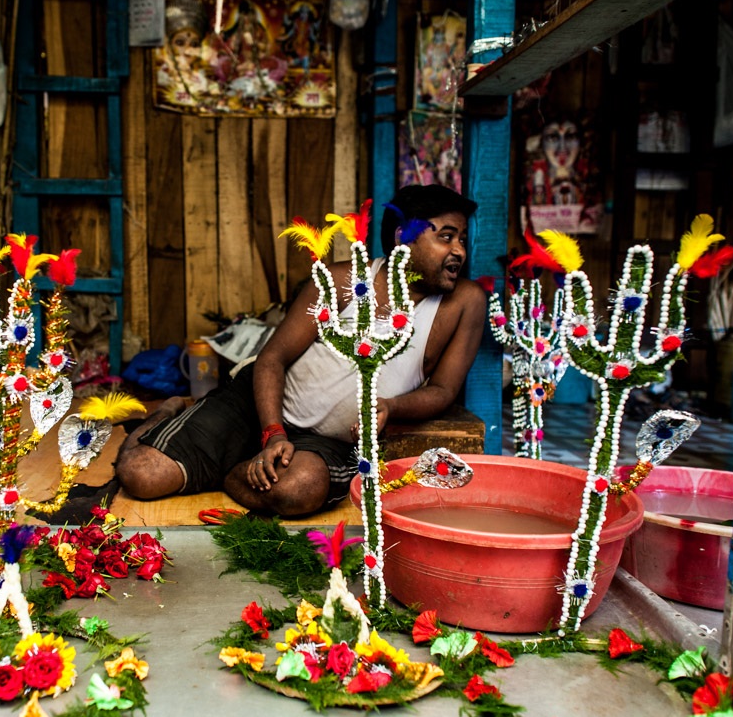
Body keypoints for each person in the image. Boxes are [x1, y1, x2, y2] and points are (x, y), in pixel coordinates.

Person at [115, 185, 487, 517]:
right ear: (403, 236)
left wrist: (392, 406)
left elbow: (442, 390)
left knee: (298, 490)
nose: (458, 251)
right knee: (141, 475)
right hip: (257, 407)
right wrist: (273, 433)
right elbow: (272, 358)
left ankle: (231, 468)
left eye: (463, 240)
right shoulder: (343, 281)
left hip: (325, 441)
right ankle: (172, 411)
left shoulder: (465, 303)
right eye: (447, 237)